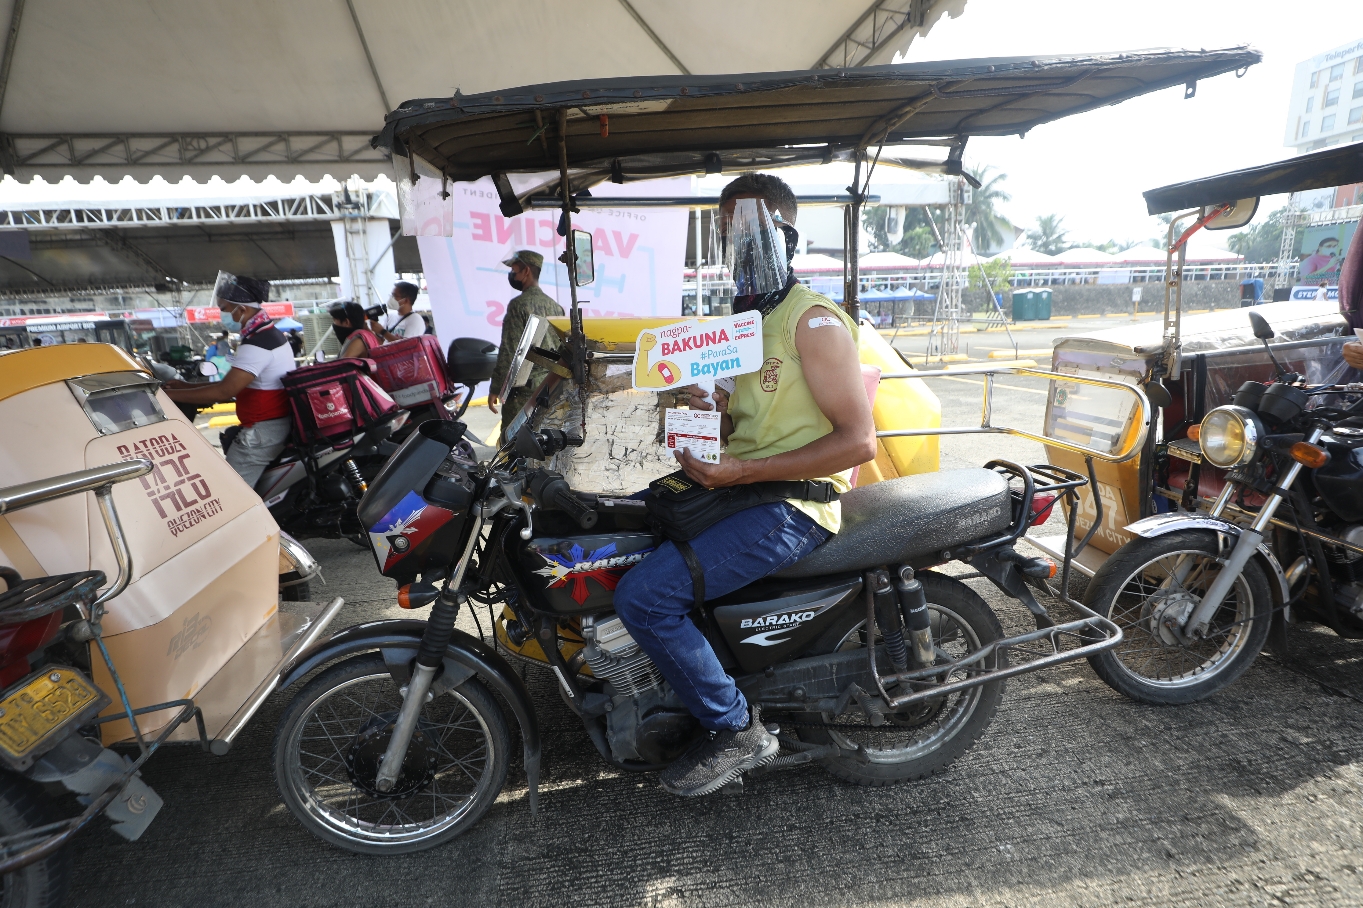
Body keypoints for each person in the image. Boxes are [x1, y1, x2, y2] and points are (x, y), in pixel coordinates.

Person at [611, 173, 876, 797]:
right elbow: (735, 420)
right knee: (610, 530)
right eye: (727, 236)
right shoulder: (743, 323)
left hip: (795, 503)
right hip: (744, 487)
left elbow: (859, 442)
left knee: (645, 598)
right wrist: (697, 405)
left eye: (747, 235)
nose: (736, 251)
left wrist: (740, 470)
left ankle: (735, 730)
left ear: (783, 239)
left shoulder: (811, 323)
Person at [164, 273, 296, 489]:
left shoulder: (258, 343)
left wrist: (166, 395)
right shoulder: (267, 334)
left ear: (241, 309)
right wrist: (185, 386)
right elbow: (230, 384)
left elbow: (224, 391)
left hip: (262, 432)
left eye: (223, 309)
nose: (220, 315)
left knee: (232, 495)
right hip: (270, 426)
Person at [487, 250, 565, 434]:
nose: (512, 274)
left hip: (523, 393)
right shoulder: (555, 306)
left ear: (526, 271)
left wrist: (496, 388)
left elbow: (509, 350)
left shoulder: (519, 305)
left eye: (514, 270)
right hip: (550, 388)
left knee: (513, 443)